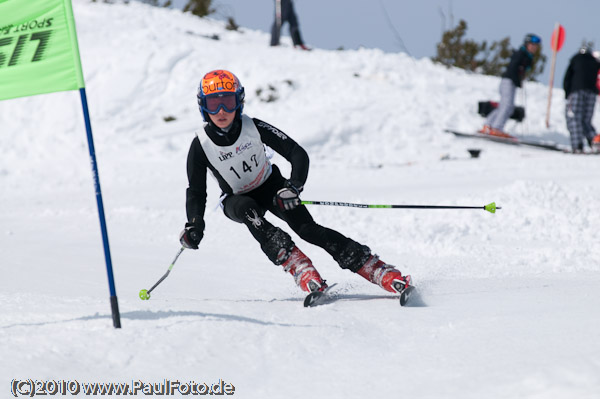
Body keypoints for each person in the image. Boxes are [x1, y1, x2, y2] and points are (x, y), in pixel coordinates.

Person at [179, 69, 411, 295]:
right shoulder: (200, 145)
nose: (221, 111)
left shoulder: (254, 127)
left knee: (309, 230)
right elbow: (196, 192)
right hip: (236, 199)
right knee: (250, 212)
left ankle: (376, 269)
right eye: (213, 104)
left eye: (228, 102)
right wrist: (194, 224)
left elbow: (297, 153)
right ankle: (301, 268)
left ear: (239, 102)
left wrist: (293, 187)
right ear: (203, 106)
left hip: (271, 186)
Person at [480, 34, 541, 138]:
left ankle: (488, 125)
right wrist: (517, 80)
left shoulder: (526, 56)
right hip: (508, 82)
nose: (534, 48)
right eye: (532, 45)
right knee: (507, 106)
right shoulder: (521, 54)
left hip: (510, 82)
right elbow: (513, 68)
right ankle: (496, 128)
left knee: (506, 106)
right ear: (527, 44)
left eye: (536, 46)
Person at [563, 44, 600, 152]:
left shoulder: (576, 59)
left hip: (577, 91)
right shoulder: (595, 62)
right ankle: (595, 141)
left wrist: (567, 94)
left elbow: (567, 77)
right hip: (592, 94)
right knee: (586, 120)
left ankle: (577, 145)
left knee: (574, 118)